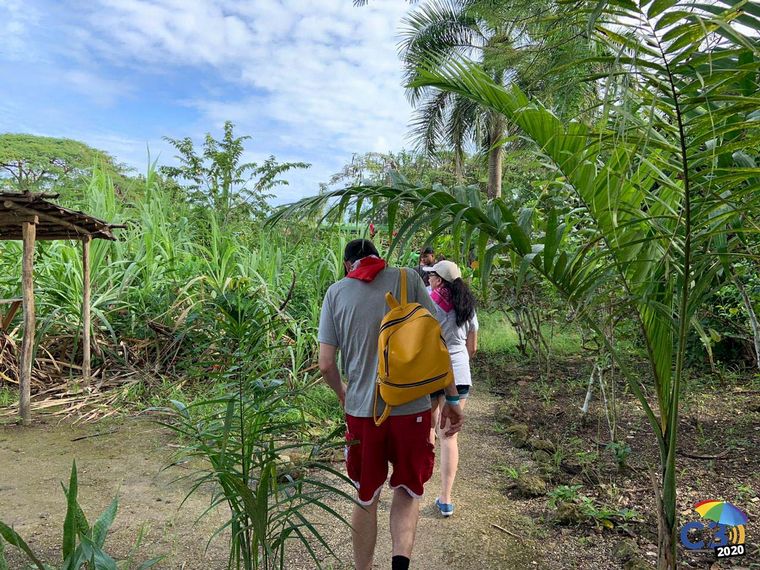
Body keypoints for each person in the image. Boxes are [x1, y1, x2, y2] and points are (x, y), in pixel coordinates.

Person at [318, 239, 464, 570]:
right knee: (408, 491)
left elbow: (325, 364)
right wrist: (452, 398)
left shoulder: (336, 293)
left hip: (363, 412)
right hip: (411, 409)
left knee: (366, 496)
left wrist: (343, 394)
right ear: (378, 256)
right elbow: (437, 342)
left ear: (347, 264)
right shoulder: (408, 278)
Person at [423, 260, 478, 518]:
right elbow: (472, 347)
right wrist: (459, 361)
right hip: (460, 371)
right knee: (449, 435)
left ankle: (418, 484)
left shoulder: (430, 303)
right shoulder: (467, 305)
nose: (429, 279)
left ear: (440, 280)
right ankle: (445, 499)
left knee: (427, 425)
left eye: (432, 275)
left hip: (432, 370)